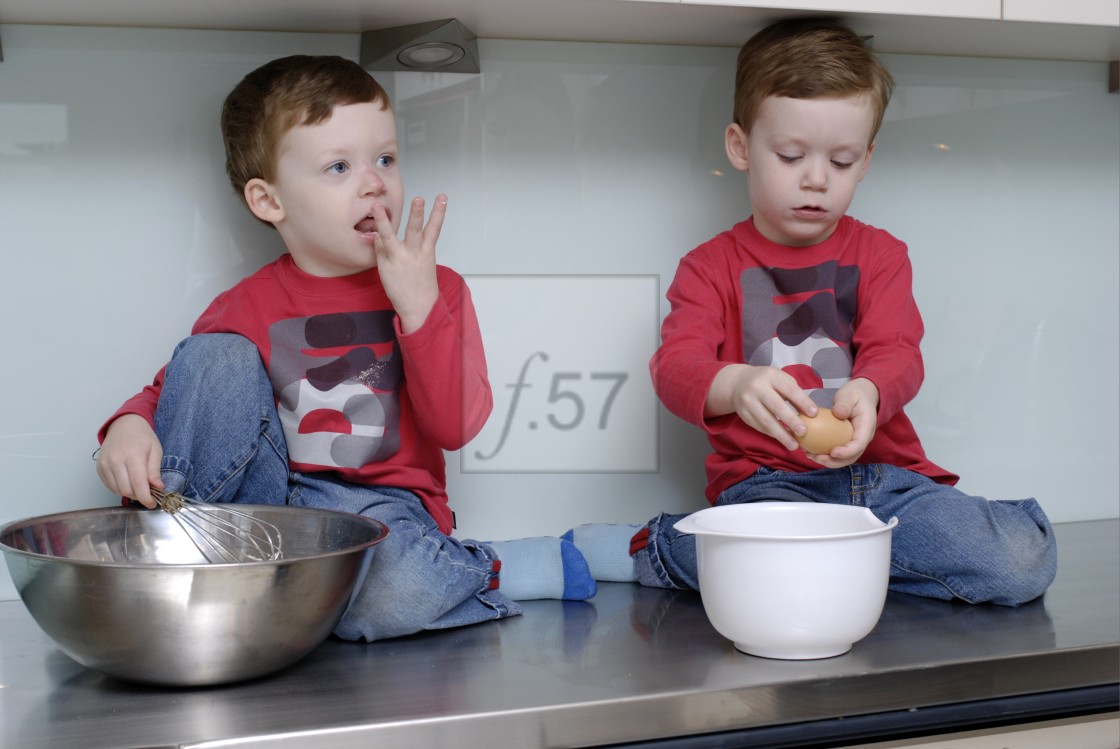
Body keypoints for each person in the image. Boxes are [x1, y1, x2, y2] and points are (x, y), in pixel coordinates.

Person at [95, 55, 596, 642]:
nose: (374, 181)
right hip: (267, 506)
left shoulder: (437, 288)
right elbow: (178, 390)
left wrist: (418, 308)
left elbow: (456, 426)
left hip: (379, 508)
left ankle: (485, 566)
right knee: (213, 355)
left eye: (385, 158)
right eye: (338, 167)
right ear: (269, 202)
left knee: (394, 592)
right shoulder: (246, 304)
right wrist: (127, 426)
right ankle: (174, 544)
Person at [566, 18, 1057, 606]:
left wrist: (871, 392)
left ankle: (839, 561)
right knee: (778, 572)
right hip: (769, 491)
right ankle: (661, 545)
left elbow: (898, 352)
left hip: (883, 481)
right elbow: (674, 367)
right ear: (740, 147)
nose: (817, 179)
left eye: (843, 161)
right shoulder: (708, 265)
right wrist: (734, 383)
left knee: (1019, 563)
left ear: (868, 159)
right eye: (792, 155)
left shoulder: (881, 254)